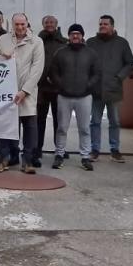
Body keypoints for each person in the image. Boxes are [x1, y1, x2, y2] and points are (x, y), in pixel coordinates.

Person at [0, 13, 45, 174]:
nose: (20, 27)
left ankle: (27, 161)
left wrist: (24, 91)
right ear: (12, 25)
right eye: (17, 24)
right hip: (6, 92)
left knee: (29, 128)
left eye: (23, 24)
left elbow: (37, 69)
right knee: (5, 128)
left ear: (27, 23)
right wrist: (1, 56)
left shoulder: (36, 41)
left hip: (27, 93)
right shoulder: (4, 39)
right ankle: (3, 160)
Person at [47, 24, 101, 170]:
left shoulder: (91, 53)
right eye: (72, 34)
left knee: (84, 128)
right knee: (62, 128)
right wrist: (61, 85)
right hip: (64, 97)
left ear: (82, 36)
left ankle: (85, 157)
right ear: (69, 36)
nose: (75, 36)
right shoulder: (60, 53)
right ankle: (59, 154)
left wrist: (88, 85)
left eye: (78, 34)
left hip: (84, 97)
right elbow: (53, 72)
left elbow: (96, 73)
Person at [86, 14, 133, 163]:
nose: (102, 26)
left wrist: (119, 77)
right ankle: (95, 150)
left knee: (114, 121)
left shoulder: (122, 43)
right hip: (96, 90)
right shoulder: (91, 42)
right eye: (101, 24)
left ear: (112, 26)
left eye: (105, 24)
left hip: (114, 89)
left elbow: (130, 64)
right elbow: (86, 62)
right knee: (95, 121)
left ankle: (115, 150)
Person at [36, 15, 67, 162]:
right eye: (46, 22)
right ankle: (37, 148)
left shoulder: (63, 43)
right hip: (41, 88)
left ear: (56, 24)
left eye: (52, 22)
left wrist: (58, 79)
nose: (49, 24)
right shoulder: (37, 41)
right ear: (43, 24)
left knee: (58, 120)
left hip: (57, 88)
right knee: (39, 120)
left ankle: (59, 149)